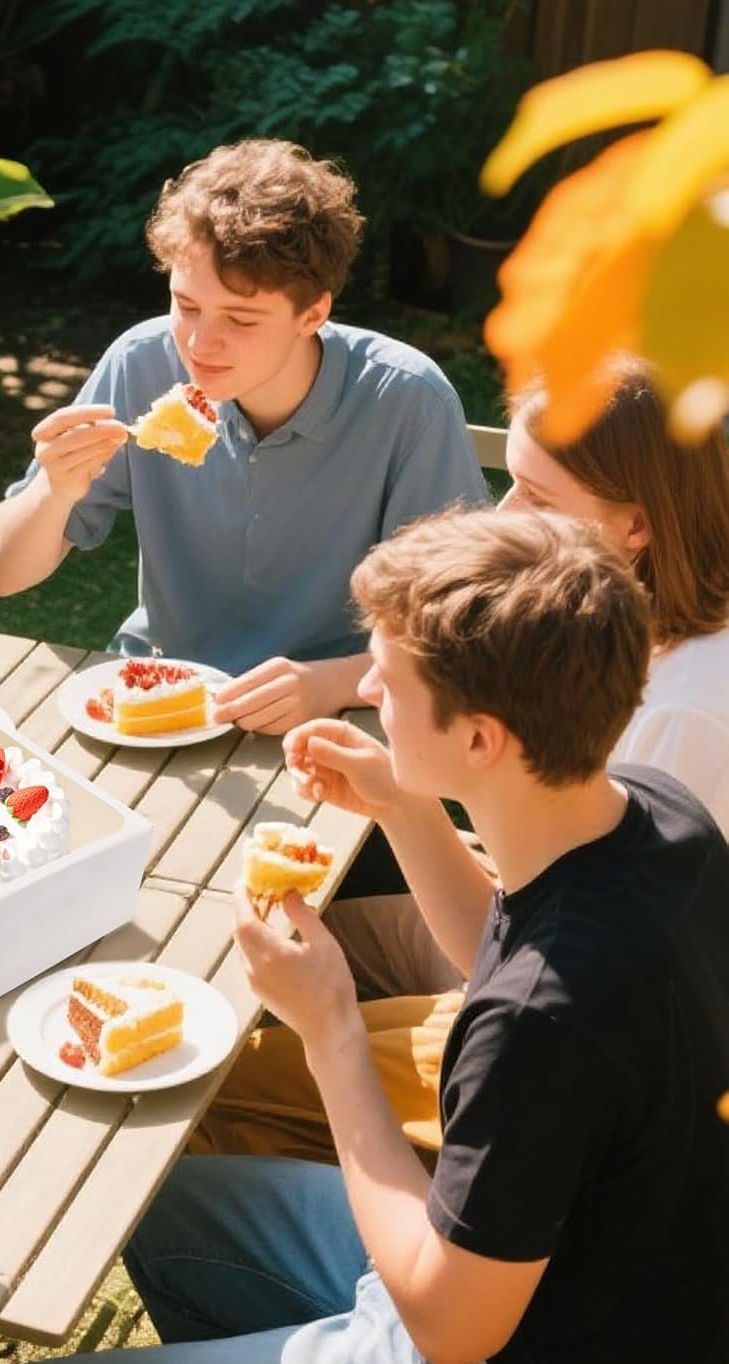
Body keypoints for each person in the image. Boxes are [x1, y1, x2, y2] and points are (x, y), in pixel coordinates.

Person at [0, 507, 729, 1364]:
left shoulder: (545, 1022)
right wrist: (409, 805)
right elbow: (505, 943)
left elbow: (454, 1328)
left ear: (483, 737)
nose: (364, 690)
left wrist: (330, 1034)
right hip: (573, 1301)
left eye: (391, 683)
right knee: (140, 1198)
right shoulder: (662, 819)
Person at [203, 357, 729, 1162]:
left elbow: (554, 969)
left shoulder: (685, 716)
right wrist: (402, 801)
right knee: (275, 948)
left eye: (538, 499)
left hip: (560, 1061)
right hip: (518, 945)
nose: (503, 514)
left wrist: (337, 1029)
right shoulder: (623, 632)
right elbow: (540, 911)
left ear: (638, 525)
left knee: (222, 1089)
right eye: (508, 481)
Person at [0, 138, 488, 734]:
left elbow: (466, 640)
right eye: (186, 305)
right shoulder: (140, 363)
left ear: (313, 314)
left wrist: (331, 682)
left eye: (240, 320)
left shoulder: (407, 401)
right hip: (161, 691)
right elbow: (4, 573)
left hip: (334, 716)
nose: (199, 345)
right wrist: (55, 492)